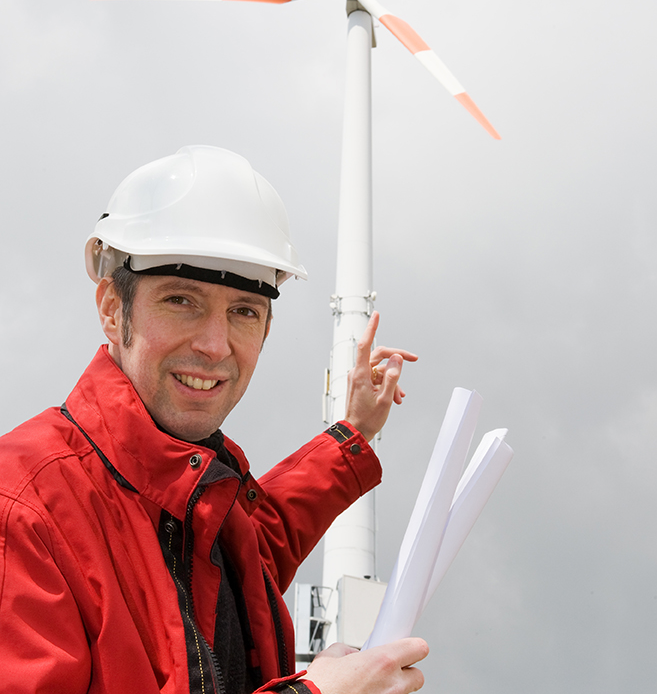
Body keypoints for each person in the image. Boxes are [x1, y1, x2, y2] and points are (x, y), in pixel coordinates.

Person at [0, 145, 428, 693]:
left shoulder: (209, 512)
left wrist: (355, 432)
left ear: (267, 329)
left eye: (244, 312)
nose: (214, 344)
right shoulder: (25, 510)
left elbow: (260, 543)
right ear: (112, 308)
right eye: (182, 300)